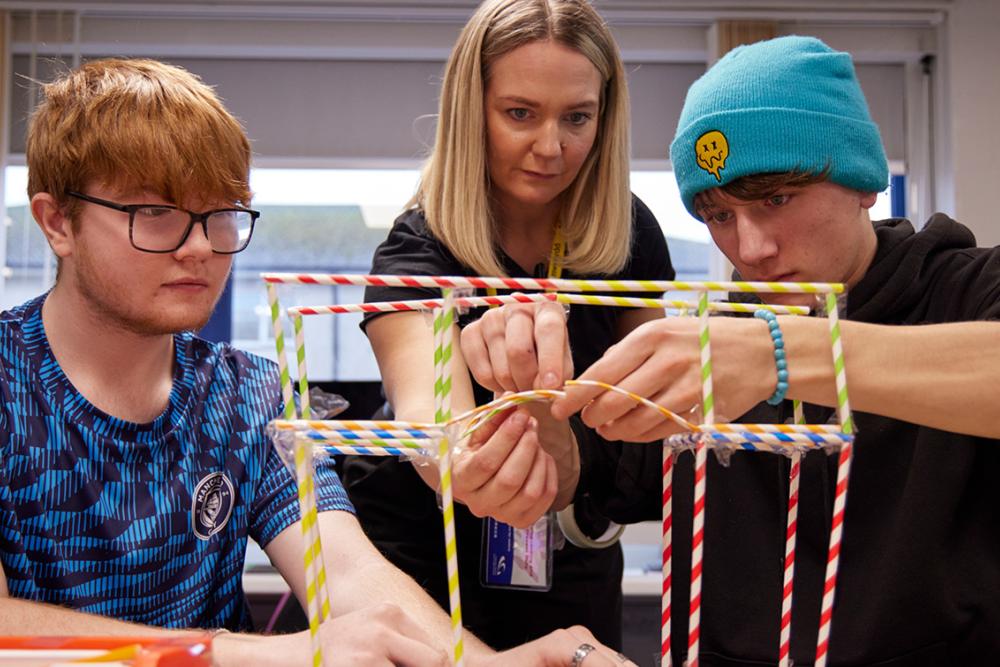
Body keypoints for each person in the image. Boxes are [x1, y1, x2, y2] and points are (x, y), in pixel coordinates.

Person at [0, 57, 633, 667]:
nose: (200, 247)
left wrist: (485, 666)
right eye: (156, 214)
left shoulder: (246, 394)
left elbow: (349, 571)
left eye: (219, 216)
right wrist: (249, 653)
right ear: (58, 223)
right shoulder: (9, 383)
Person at [463, 35, 1000, 665]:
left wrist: (781, 356)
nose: (750, 250)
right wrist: (534, 411)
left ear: (863, 181)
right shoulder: (714, 343)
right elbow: (592, 471)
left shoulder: (972, 290)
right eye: (719, 215)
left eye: (776, 200)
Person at [342, 0, 674, 651]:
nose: (551, 147)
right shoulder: (416, 250)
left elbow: (651, 428)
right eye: (520, 113)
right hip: (423, 567)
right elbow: (431, 421)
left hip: (571, 567)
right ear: (473, 112)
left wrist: (575, 459)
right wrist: (469, 464)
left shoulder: (629, 236)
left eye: (577, 117)